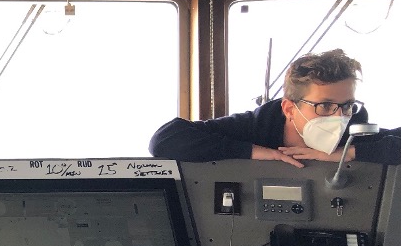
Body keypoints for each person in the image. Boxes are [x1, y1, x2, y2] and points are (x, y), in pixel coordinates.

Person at [149, 49, 400, 167]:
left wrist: (346, 154)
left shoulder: (356, 131)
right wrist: (256, 152)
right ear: (290, 109)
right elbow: (165, 140)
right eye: (324, 106)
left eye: (346, 106)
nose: (340, 116)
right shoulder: (255, 127)